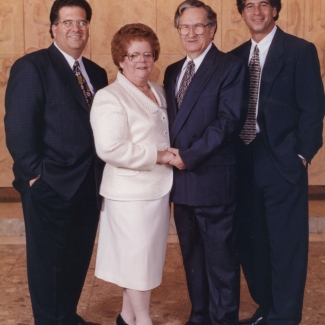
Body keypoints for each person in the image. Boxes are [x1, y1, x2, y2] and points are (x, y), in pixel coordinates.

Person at [4, 0, 108, 324]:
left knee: (76, 259)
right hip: (49, 185)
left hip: (88, 185)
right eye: (67, 22)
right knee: (48, 265)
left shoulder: (97, 73)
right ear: (53, 27)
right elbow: (19, 128)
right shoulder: (32, 66)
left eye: (82, 22)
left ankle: (67, 316)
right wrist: (36, 177)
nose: (75, 29)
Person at [230, 1, 325, 325]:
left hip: (282, 162)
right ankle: (266, 308)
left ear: (274, 10)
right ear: (241, 12)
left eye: (264, 4)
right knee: (252, 244)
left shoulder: (300, 51)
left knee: (286, 247)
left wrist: (300, 156)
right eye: (249, 5)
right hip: (243, 162)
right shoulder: (235, 57)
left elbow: (313, 111)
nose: (256, 11)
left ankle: (284, 318)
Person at [164, 1, 249, 324]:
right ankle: (199, 316)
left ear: (212, 29)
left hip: (213, 180)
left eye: (198, 26)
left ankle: (223, 320)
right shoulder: (173, 71)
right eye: (184, 27)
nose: (191, 33)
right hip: (181, 183)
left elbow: (228, 122)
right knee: (193, 258)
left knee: (221, 262)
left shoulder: (230, 67)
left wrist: (188, 156)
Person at [90, 23, 173, 325]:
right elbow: (110, 148)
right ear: (121, 59)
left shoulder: (160, 91)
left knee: (144, 262)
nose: (142, 61)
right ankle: (144, 320)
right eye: (134, 55)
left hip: (158, 190)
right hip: (128, 195)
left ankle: (127, 317)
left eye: (148, 54)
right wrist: (160, 155)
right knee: (136, 263)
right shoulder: (109, 96)